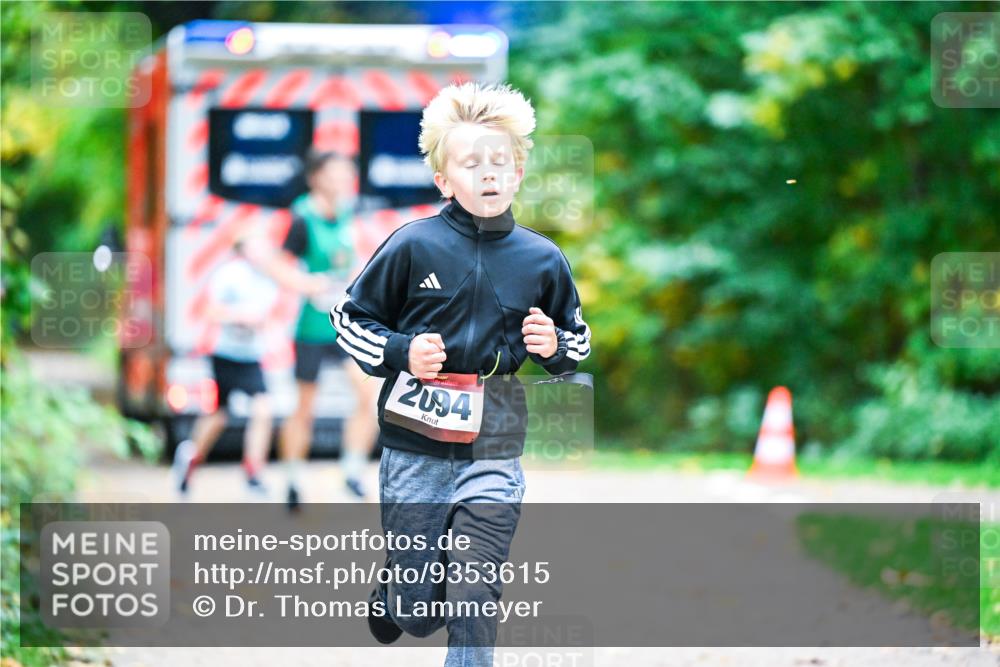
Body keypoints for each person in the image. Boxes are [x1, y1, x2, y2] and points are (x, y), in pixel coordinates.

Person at [329, 82, 591, 666]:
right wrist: (400, 351)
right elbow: (347, 318)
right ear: (445, 180)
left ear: (518, 173)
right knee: (417, 614)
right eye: (472, 163)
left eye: (501, 162)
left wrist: (554, 346)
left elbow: (576, 338)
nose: (489, 173)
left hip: (495, 438)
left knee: (476, 590)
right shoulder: (411, 246)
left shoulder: (542, 258)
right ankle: (398, 594)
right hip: (414, 448)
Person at [267, 150, 379, 509]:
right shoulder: (302, 218)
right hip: (311, 328)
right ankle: (293, 480)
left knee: (370, 398)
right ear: (317, 178)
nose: (344, 181)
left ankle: (352, 472)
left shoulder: (348, 215)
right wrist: (307, 283)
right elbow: (279, 266)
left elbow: (354, 259)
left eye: (348, 174)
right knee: (305, 408)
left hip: (345, 327)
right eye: (336, 174)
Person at [172, 230, 278, 497]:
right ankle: (190, 457)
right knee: (219, 415)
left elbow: (267, 315)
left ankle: (254, 471)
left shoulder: (268, 278)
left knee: (263, 410)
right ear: (244, 247)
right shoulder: (230, 274)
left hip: (252, 356)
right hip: (226, 355)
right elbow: (210, 310)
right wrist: (238, 316)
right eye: (258, 244)